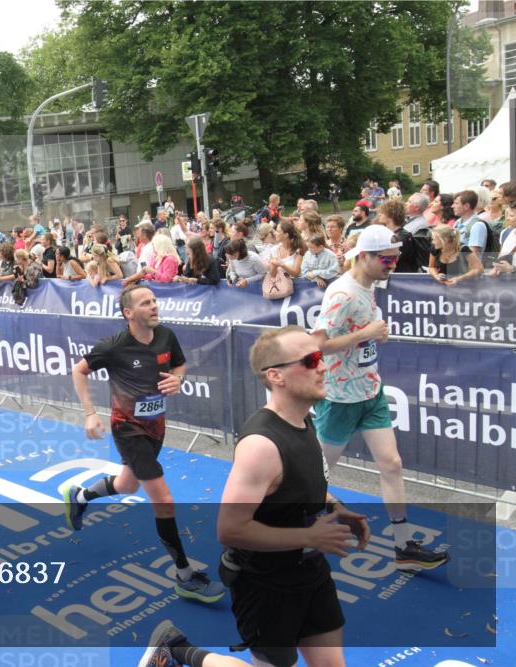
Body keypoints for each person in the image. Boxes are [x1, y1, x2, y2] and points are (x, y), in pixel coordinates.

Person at [188, 326, 367, 667]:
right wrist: (309, 535)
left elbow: (299, 482)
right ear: (276, 376)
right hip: (266, 584)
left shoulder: (303, 420)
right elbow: (230, 529)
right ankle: (183, 652)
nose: (323, 366)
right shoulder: (261, 446)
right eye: (311, 359)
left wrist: (334, 507)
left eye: (322, 357)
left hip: (310, 570)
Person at [64, 285, 226, 604]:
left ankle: (80, 495)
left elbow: (179, 364)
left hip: (156, 427)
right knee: (163, 500)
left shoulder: (166, 335)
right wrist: (89, 412)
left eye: (154, 301)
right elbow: (79, 370)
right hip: (128, 428)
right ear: (129, 313)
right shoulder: (114, 346)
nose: (154, 306)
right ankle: (183, 576)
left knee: (128, 485)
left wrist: (179, 378)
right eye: (145, 303)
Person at [312, 225, 450, 572]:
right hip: (340, 399)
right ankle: (301, 541)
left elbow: (360, 339)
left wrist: (371, 337)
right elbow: (318, 344)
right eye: (386, 259)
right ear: (364, 256)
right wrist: (366, 333)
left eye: (395, 259)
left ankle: (404, 547)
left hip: (370, 392)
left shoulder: (368, 286)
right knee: (315, 476)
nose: (392, 264)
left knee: (392, 465)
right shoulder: (341, 293)